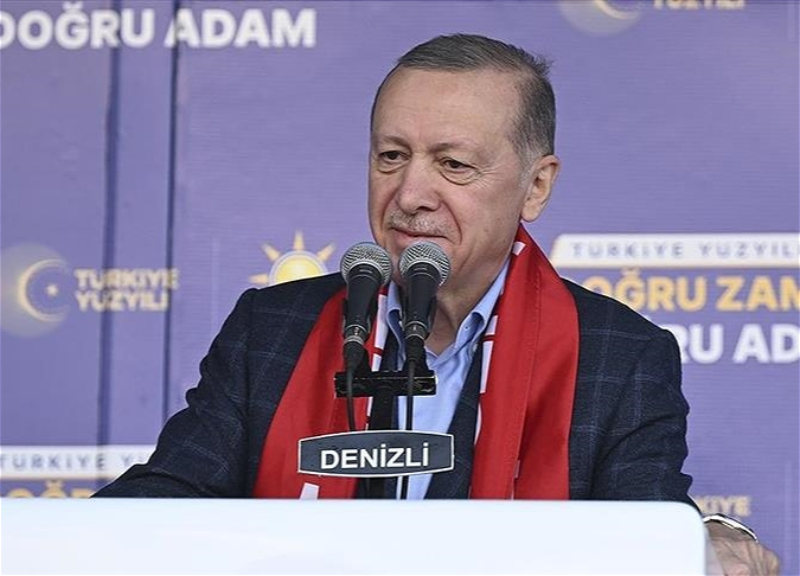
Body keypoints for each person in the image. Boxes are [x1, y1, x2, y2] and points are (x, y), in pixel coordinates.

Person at [95, 33, 779, 575]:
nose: (411, 194)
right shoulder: (271, 328)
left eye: (453, 164)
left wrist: (704, 534)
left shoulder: (621, 355)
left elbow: (643, 532)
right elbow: (165, 502)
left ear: (536, 187)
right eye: (392, 156)